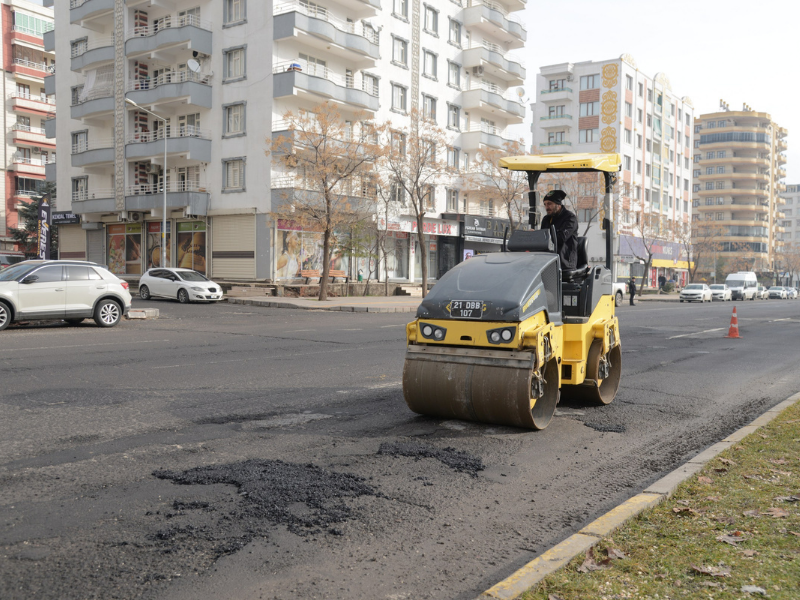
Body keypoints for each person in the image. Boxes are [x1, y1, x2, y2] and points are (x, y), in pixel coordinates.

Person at [540, 189, 578, 270]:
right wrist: (535, 235)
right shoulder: (546, 219)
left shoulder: (570, 218)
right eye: (545, 204)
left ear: (558, 205)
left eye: (549, 204)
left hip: (564, 262)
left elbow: (560, 239)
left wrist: (542, 236)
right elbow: (542, 240)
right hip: (547, 261)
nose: (547, 207)